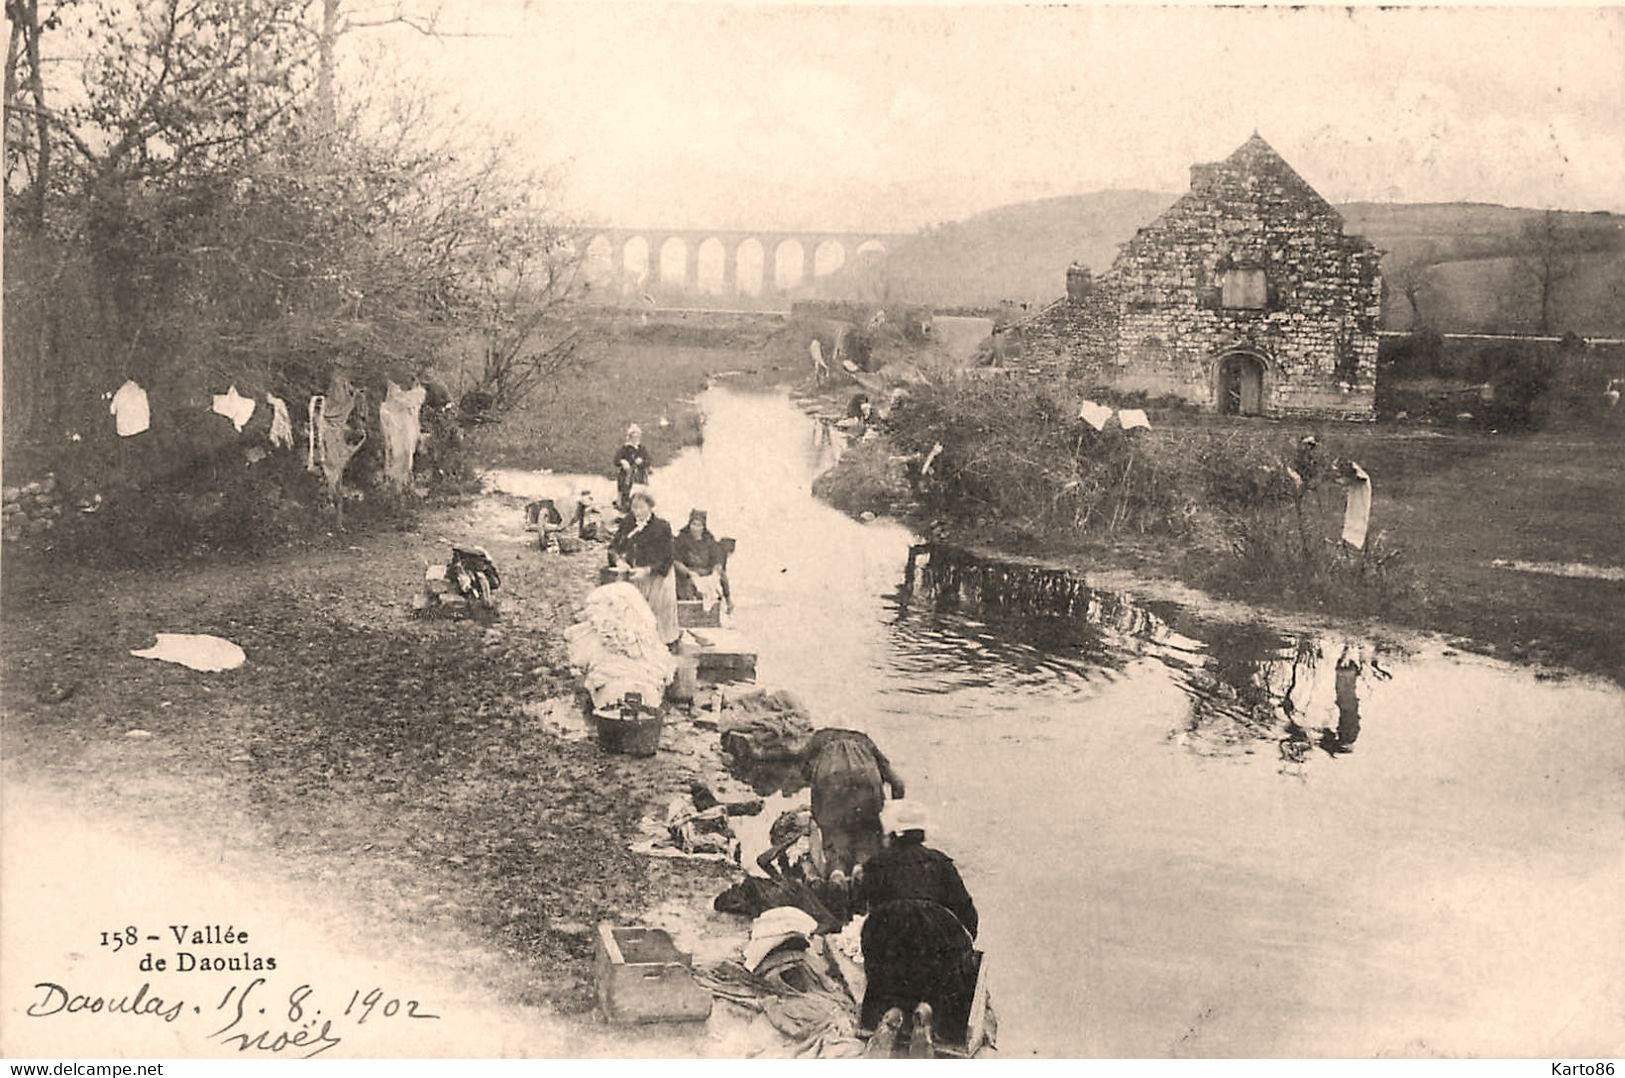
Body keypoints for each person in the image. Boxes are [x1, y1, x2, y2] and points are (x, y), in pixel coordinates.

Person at [855, 802, 978, 938]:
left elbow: (862, 906)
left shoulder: (876, 864)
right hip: (933, 941)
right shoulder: (940, 862)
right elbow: (964, 906)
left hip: (889, 941)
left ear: (891, 834)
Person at [801, 728, 905, 876]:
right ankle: (862, 868)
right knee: (867, 841)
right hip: (866, 791)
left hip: (831, 790)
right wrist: (895, 817)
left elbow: (803, 773)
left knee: (835, 842)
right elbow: (898, 784)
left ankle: (837, 873)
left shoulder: (818, 738)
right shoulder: (864, 740)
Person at [608, 486, 679, 646]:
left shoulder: (662, 527)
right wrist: (619, 561)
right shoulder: (628, 522)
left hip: (657, 577)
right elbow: (613, 547)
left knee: (656, 617)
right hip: (634, 574)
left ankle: (660, 643)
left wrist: (647, 570)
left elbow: (668, 558)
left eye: (641, 508)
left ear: (650, 507)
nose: (637, 512)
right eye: (634, 507)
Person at [672, 508, 733, 615]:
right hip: (688, 572)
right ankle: (691, 610)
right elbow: (676, 561)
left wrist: (716, 571)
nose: (696, 528)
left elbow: (717, 559)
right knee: (689, 584)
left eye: (699, 525)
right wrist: (688, 572)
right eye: (694, 524)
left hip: (706, 572)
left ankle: (728, 601)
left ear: (703, 527)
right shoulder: (682, 539)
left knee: (722, 575)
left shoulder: (709, 541)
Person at [612, 425, 651, 511]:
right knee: (624, 488)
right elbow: (616, 460)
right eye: (633, 436)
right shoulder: (625, 448)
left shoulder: (641, 448)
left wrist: (642, 461)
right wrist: (622, 462)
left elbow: (648, 460)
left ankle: (636, 505)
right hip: (626, 474)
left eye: (637, 437)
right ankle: (622, 504)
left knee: (638, 490)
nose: (635, 439)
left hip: (638, 474)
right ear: (629, 437)